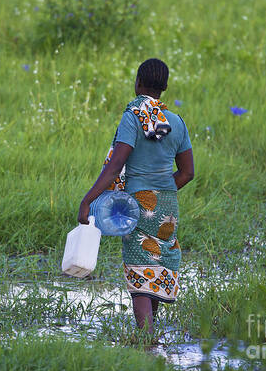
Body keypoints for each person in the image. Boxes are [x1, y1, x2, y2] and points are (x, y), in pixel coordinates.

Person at [78, 58, 194, 337]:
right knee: (157, 262)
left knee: (139, 266)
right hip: (168, 203)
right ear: (164, 87)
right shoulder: (176, 122)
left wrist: (87, 201)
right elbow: (188, 172)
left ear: (138, 83)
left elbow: (115, 166)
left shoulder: (132, 118)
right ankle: (150, 336)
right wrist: (161, 191)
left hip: (137, 203)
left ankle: (146, 341)